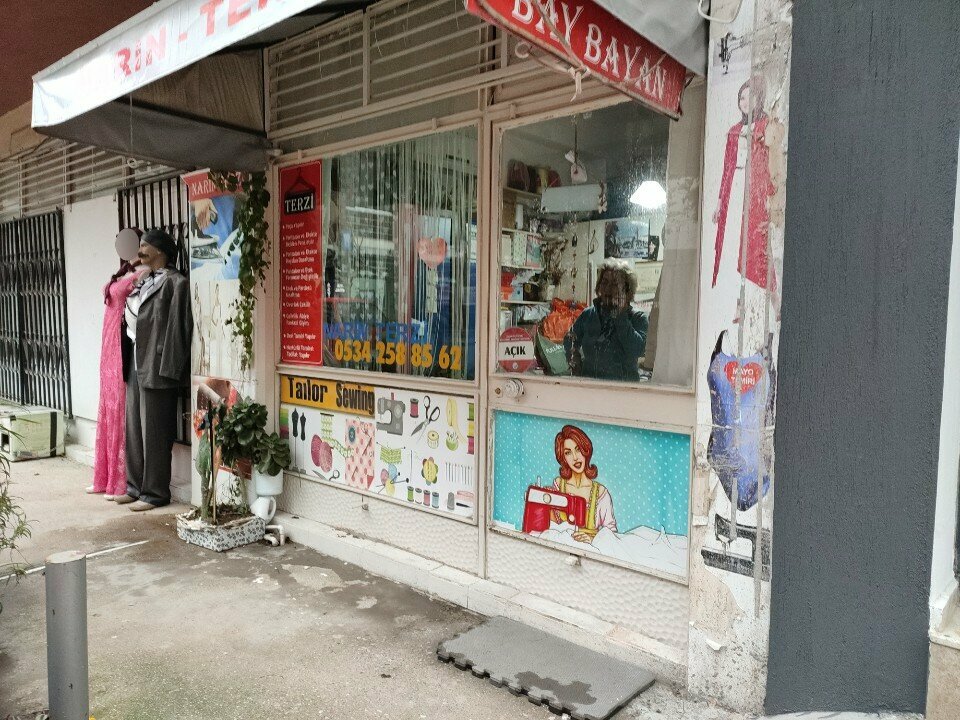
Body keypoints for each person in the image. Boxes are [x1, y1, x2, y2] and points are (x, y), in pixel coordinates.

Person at [116, 229, 192, 511]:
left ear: (161, 251)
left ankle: (155, 492)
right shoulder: (143, 278)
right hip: (137, 356)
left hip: (159, 364)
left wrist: (170, 369)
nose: (140, 251)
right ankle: (134, 487)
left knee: (156, 430)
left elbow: (178, 329)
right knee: (134, 426)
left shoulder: (176, 283)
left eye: (145, 245)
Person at [87, 229, 147, 499]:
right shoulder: (123, 272)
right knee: (108, 408)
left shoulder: (142, 272)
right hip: (107, 345)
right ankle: (104, 477)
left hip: (122, 345)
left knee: (120, 410)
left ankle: (119, 482)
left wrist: (137, 265)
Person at [565, 258, 648, 381]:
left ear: (627, 290)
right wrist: (575, 362)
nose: (608, 288)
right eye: (604, 282)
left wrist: (620, 315)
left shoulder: (638, 318)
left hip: (623, 391)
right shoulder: (588, 314)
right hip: (591, 387)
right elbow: (569, 340)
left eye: (615, 284)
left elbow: (637, 350)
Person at [551, 425, 617, 543]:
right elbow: (551, 526)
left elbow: (612, 536)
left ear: (586, 450)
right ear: (563, 458)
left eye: (578, 449)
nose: (575, 457)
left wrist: (592, 539)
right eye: (568, 453)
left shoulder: (601, 493)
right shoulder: (557, 485)